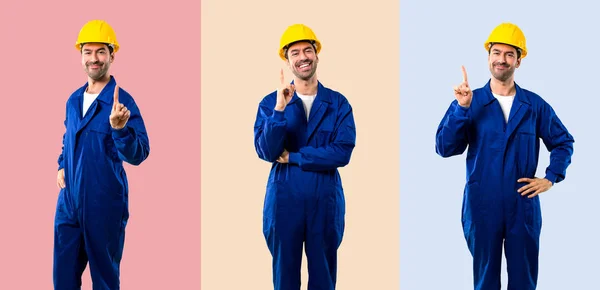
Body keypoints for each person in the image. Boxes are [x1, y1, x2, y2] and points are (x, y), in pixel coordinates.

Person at [435, 22, 575, 290]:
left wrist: (551, 177)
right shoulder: (469, 101)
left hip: (522, 204)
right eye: (496, 52)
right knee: (485, 279)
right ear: (488, 57)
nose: (502, 59)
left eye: (509, 54)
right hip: (482, 204)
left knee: (524, 280)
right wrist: (461, 110)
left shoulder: (534, 106)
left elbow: (563, 142)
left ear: (518, 61)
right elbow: (444, 147)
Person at [253, 24, 357, 290]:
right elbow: (266, 151)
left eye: (308, 50)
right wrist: (279, 109)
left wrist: (296, 157)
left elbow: (342, 151)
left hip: (324, 202)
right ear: (287, 61)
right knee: (285, 278)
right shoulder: (271, 102)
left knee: (323, 278)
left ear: (317, 55)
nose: (303, 57)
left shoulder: (338, 103)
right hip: (284, 201)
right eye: (295, 53)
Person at [53, 20, 150, 290]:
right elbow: (68, 139)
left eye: (100, 52)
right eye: (88, 52)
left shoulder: (122, 102)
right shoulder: (73, 100)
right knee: (62, 280)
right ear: (81, 55)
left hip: (104, 204)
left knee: (104, 282)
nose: (93, 59)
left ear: (112, 55)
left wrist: (119, 129)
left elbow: (140, 153)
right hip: (69, 204)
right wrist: (63, 165)